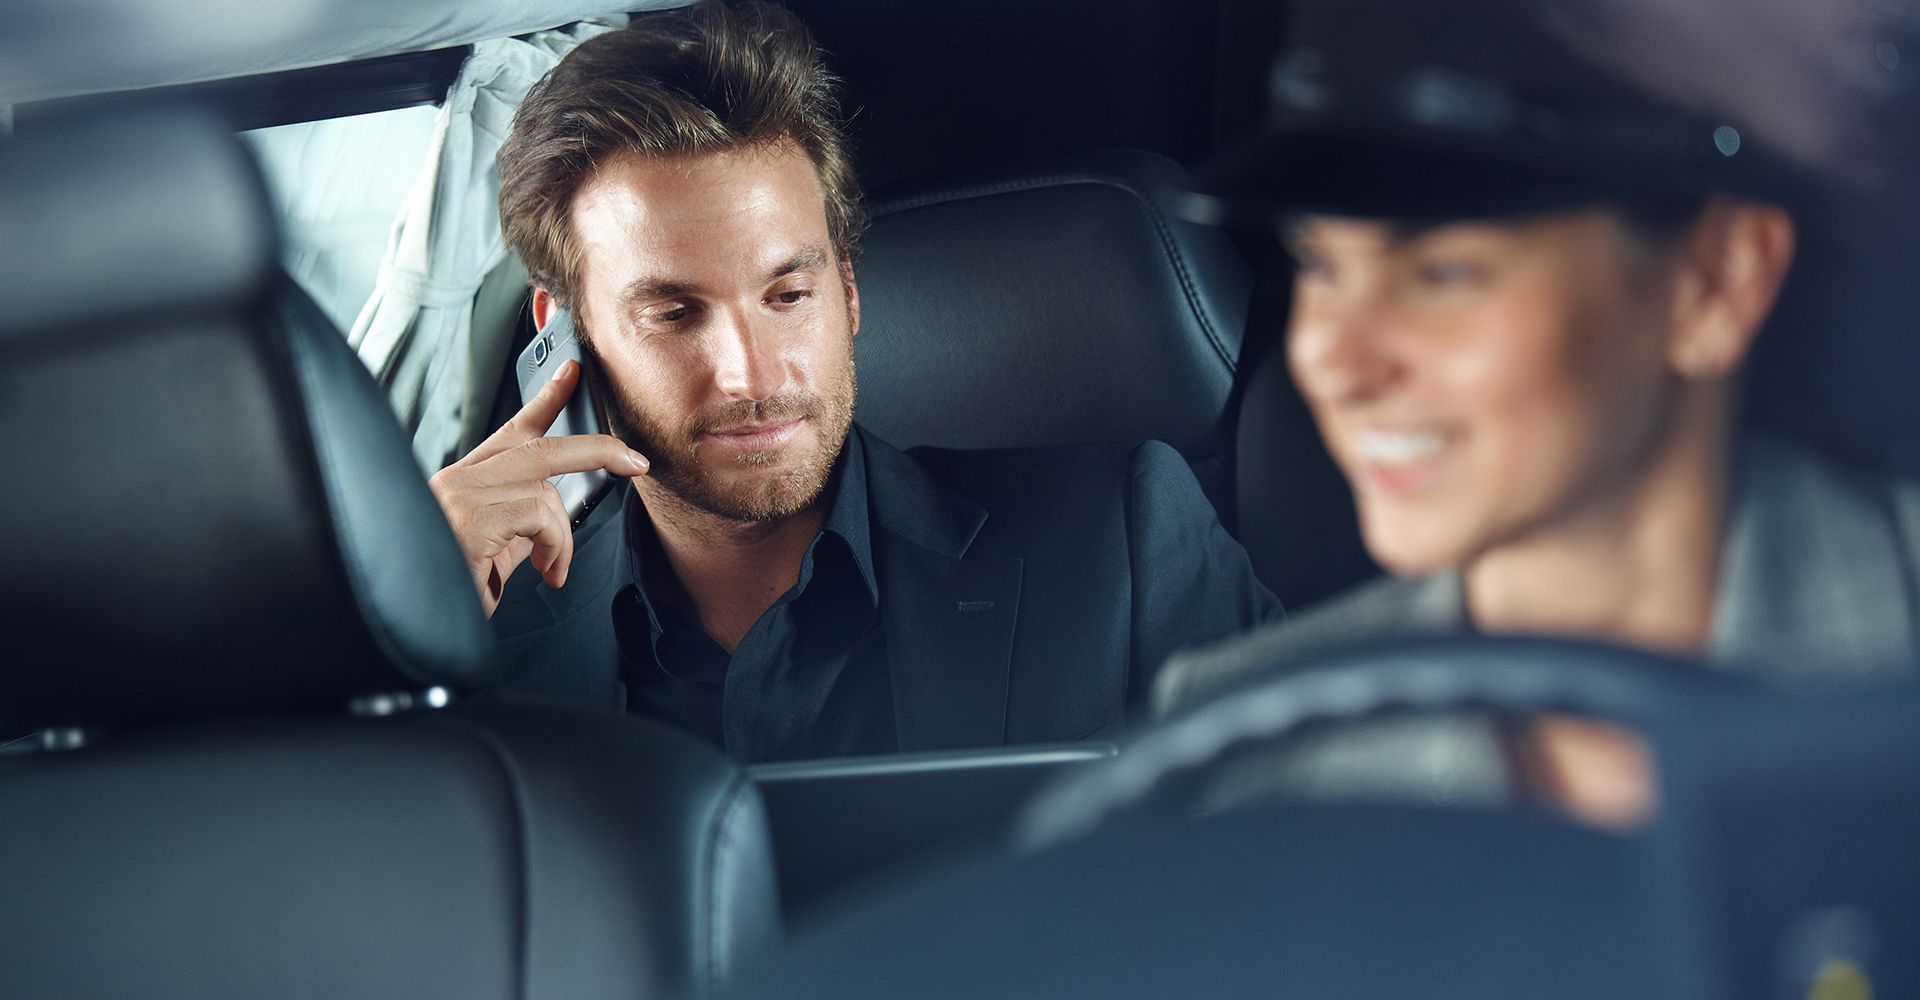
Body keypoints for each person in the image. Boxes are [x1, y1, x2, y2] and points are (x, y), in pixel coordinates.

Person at [428, 1, 1280, 763]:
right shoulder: (479, 638)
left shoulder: (1123, 544)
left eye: (788, 295)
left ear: (847, 291)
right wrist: (392, 621)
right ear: (563, 331)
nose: (748, 375)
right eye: (674, 314)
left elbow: (1320, 871)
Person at [1152, 0, 1920, 828]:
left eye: (1443, 274)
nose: (1331, 362)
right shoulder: (1242, 754)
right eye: (1320, 263)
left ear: (1715, 280)